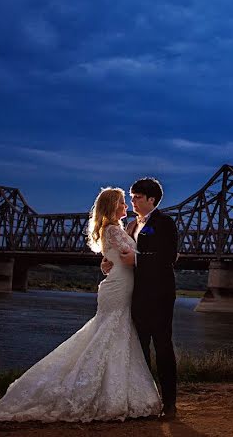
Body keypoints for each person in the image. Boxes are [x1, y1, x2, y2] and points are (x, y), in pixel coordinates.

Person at [0, 187, 162, 423]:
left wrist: (111, 262)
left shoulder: (112, 230)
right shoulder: (113, 229)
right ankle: (108, 394)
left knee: (113, 334)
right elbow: (135, 255)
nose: (126, 206)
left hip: (118, 286)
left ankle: (113, 391)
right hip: (118, 289)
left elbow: (120, 258)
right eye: (122, 202)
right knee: (110, 333)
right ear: (112, 206)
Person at [101, 176, 178, 419]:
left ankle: (170, 404)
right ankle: (145, 400)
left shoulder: (165, 223)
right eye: (131, 197)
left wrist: (137, 260)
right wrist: (110, 261)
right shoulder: (132, 226)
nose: (132, 200)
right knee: (139, 349)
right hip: (136, 295)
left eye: (137, 197)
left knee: (163, 347)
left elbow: (168, 257)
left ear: (151, 199)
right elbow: (123, 254)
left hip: (160, 295)